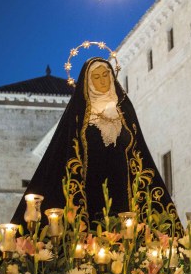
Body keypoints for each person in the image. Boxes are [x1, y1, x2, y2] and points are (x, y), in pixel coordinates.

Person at [11, 57, 181, 229]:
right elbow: (65, 154)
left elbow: (139, 150)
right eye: (96, 77)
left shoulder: (125, 111)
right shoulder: (78, 115)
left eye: (106, 75)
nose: (102, 81)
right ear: (89, 82)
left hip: (124, 187)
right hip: (90, 189)